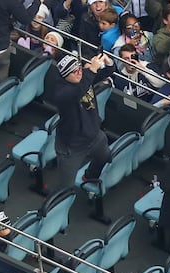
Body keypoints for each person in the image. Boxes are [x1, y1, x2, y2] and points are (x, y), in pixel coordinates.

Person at [46, 53, 119, 223]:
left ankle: (89, 176)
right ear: (65, 76)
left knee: (104, 156)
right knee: (66, 187)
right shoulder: (61, 93)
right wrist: (91, 70)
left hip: (94, 136)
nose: (78, 72)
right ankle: (54, 214)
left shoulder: (83, 78)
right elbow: (79, 90)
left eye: (79, 68)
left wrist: (108, 63)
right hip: (72, 146)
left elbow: (108, 72)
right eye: (74, 72)